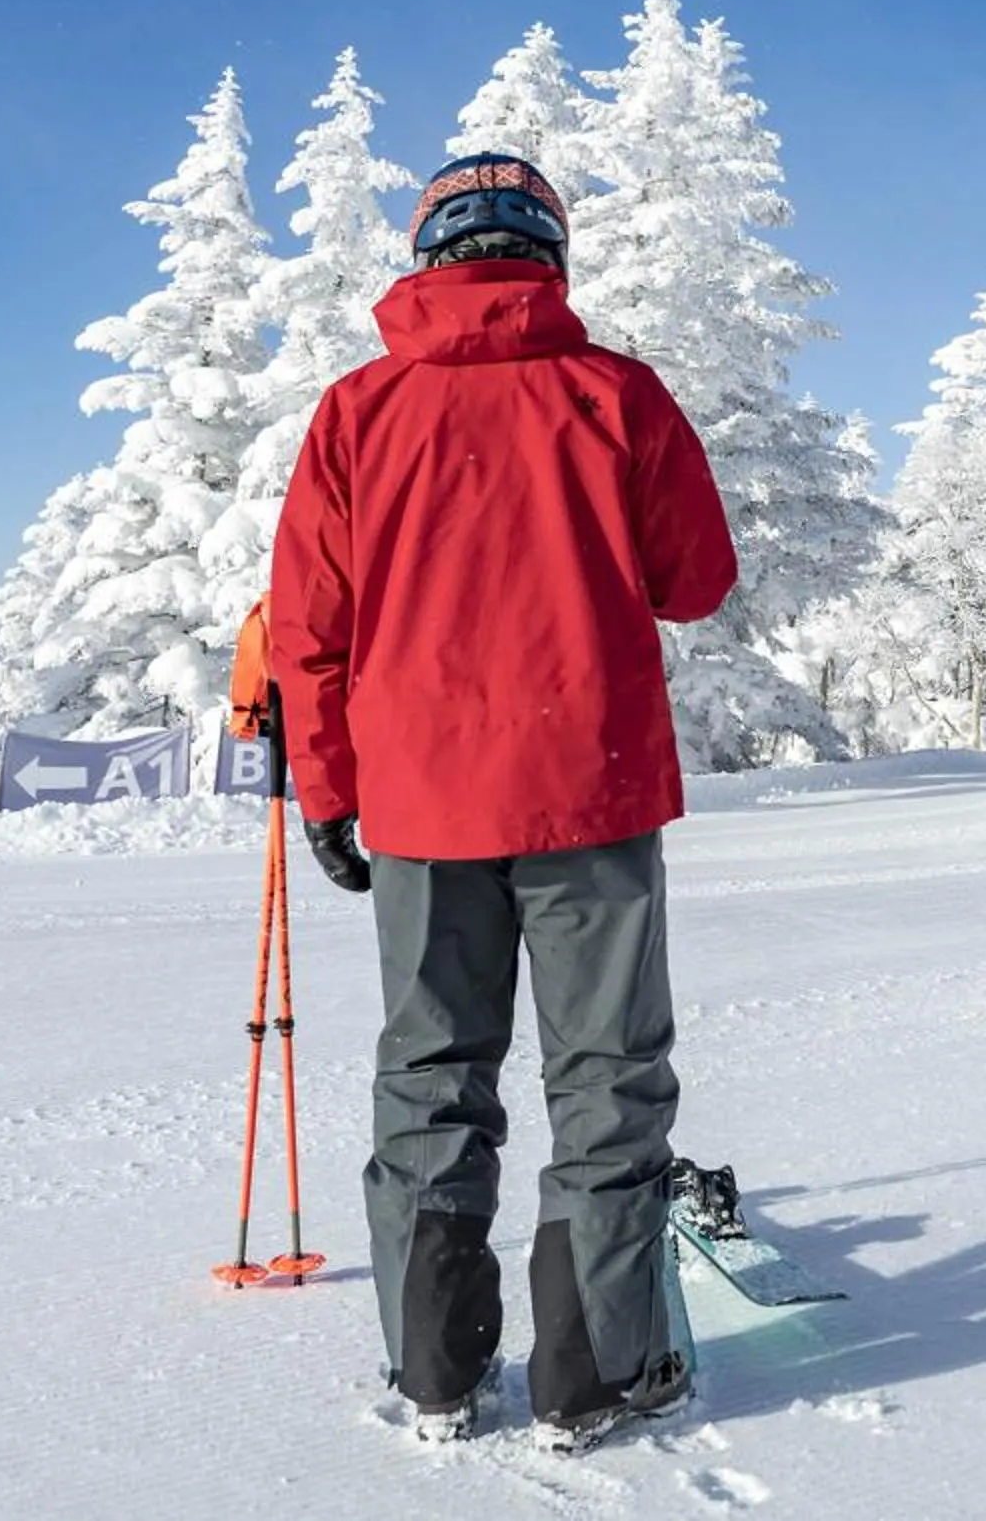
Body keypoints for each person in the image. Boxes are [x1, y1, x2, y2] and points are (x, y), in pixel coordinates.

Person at [270, 152, 739, 1446]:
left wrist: (329, 790)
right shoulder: (615, 393)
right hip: (587, 794)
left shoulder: (356, 412)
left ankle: (435, 1375)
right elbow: (697, 577)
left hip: (423, 809)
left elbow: (309, 628)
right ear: (547, 254)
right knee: (607, 1078)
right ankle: (594, 1378)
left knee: (431, 1074)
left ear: (429, 255)